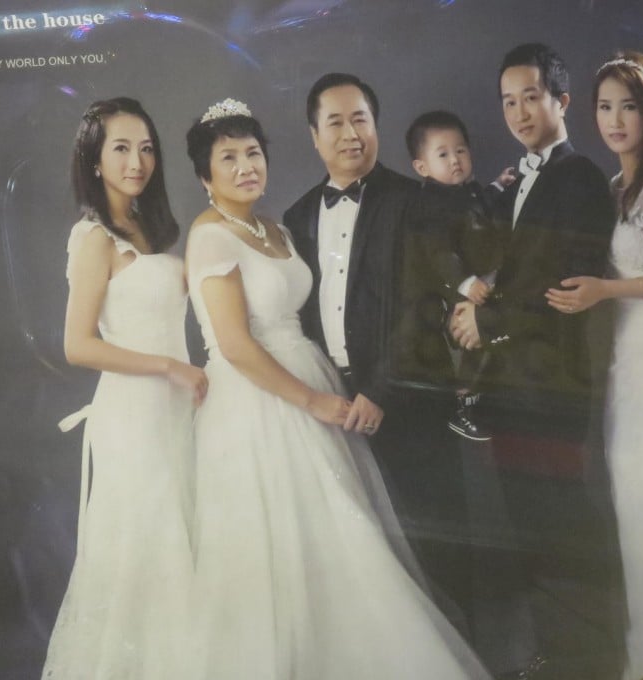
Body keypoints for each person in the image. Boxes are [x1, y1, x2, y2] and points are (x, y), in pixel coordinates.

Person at [182, 98, 492, 680]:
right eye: (228, 158)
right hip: (261, 405)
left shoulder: (278, 228)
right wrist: (313, 400)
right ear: (205, 176)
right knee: (284, 552)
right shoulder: (210, 236)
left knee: (347, 542)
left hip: (322, 387)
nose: (246, 167)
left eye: (253, 153)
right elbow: (236, 345)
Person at [448, 44, 620, 677]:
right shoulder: (522, 178)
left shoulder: (578, 178)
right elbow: (515, 269)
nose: (519, 112)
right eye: (508, 101)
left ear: (561, 100)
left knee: (562, 526)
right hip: (519, 385)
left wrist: (485, 322)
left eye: (531, 97)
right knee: (533, 527)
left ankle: (590, 660)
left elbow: (562, 287)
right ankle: (557, 655)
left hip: (552, 386)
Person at [282, 73, 469, 628]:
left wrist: (380, 391)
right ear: (314, 135)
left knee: (439, 545)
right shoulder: (296, 217)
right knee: (362, 560)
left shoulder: (416, 201)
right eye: (335, 122)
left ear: (376, 125)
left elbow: (424, 307)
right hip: (334, 408)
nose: (350, 134)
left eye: (360, 119)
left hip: (407, 403)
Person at [545, 50, 643, 680]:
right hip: (623, 369)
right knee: (636, 520)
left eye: (628, 107)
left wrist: (606, 290)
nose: (614, 120)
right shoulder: (613, 188)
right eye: (605, 107)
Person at [42, 97, 207, 679]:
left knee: (187, 545)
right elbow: (77, 345)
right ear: (94, 159)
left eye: (146, 148)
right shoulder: (94, 237)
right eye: (120, 148)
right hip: (135, 417)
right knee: (148, 551)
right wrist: (168, 367)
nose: (137, 161)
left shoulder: (149, 227)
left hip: (178, 410)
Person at [404, 109, 513, 441]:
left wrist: (497, 186)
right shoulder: (431, 204)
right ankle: (462, 406)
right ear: (422, 167)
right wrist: (465, 283)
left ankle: (479, 402)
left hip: (487, 277)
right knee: (469, 347)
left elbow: (480, 202)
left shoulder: (468, 189)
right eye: (443, 154)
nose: (455, 160)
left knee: (490, 345)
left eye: (461, 150)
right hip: (460, 287)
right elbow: (439, 251)